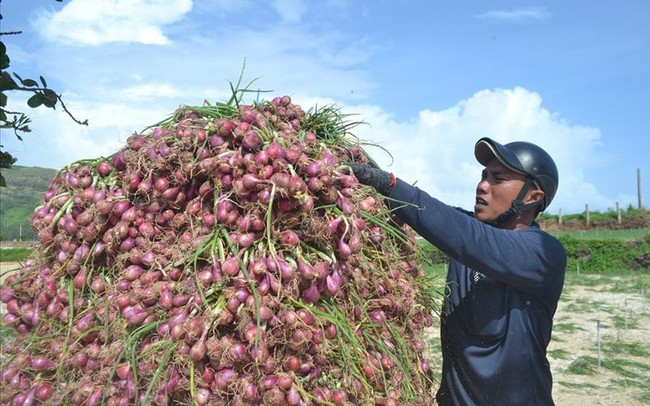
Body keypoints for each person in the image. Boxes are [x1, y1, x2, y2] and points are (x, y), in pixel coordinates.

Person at [347, 137, 567, 406]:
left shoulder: (543, 253)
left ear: (533, 197)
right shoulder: (465, 233)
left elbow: (465, 236)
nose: (482, 186)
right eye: (483, 176)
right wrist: (364, 167)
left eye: (498, 178)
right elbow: (435, 217)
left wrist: (390, 185)